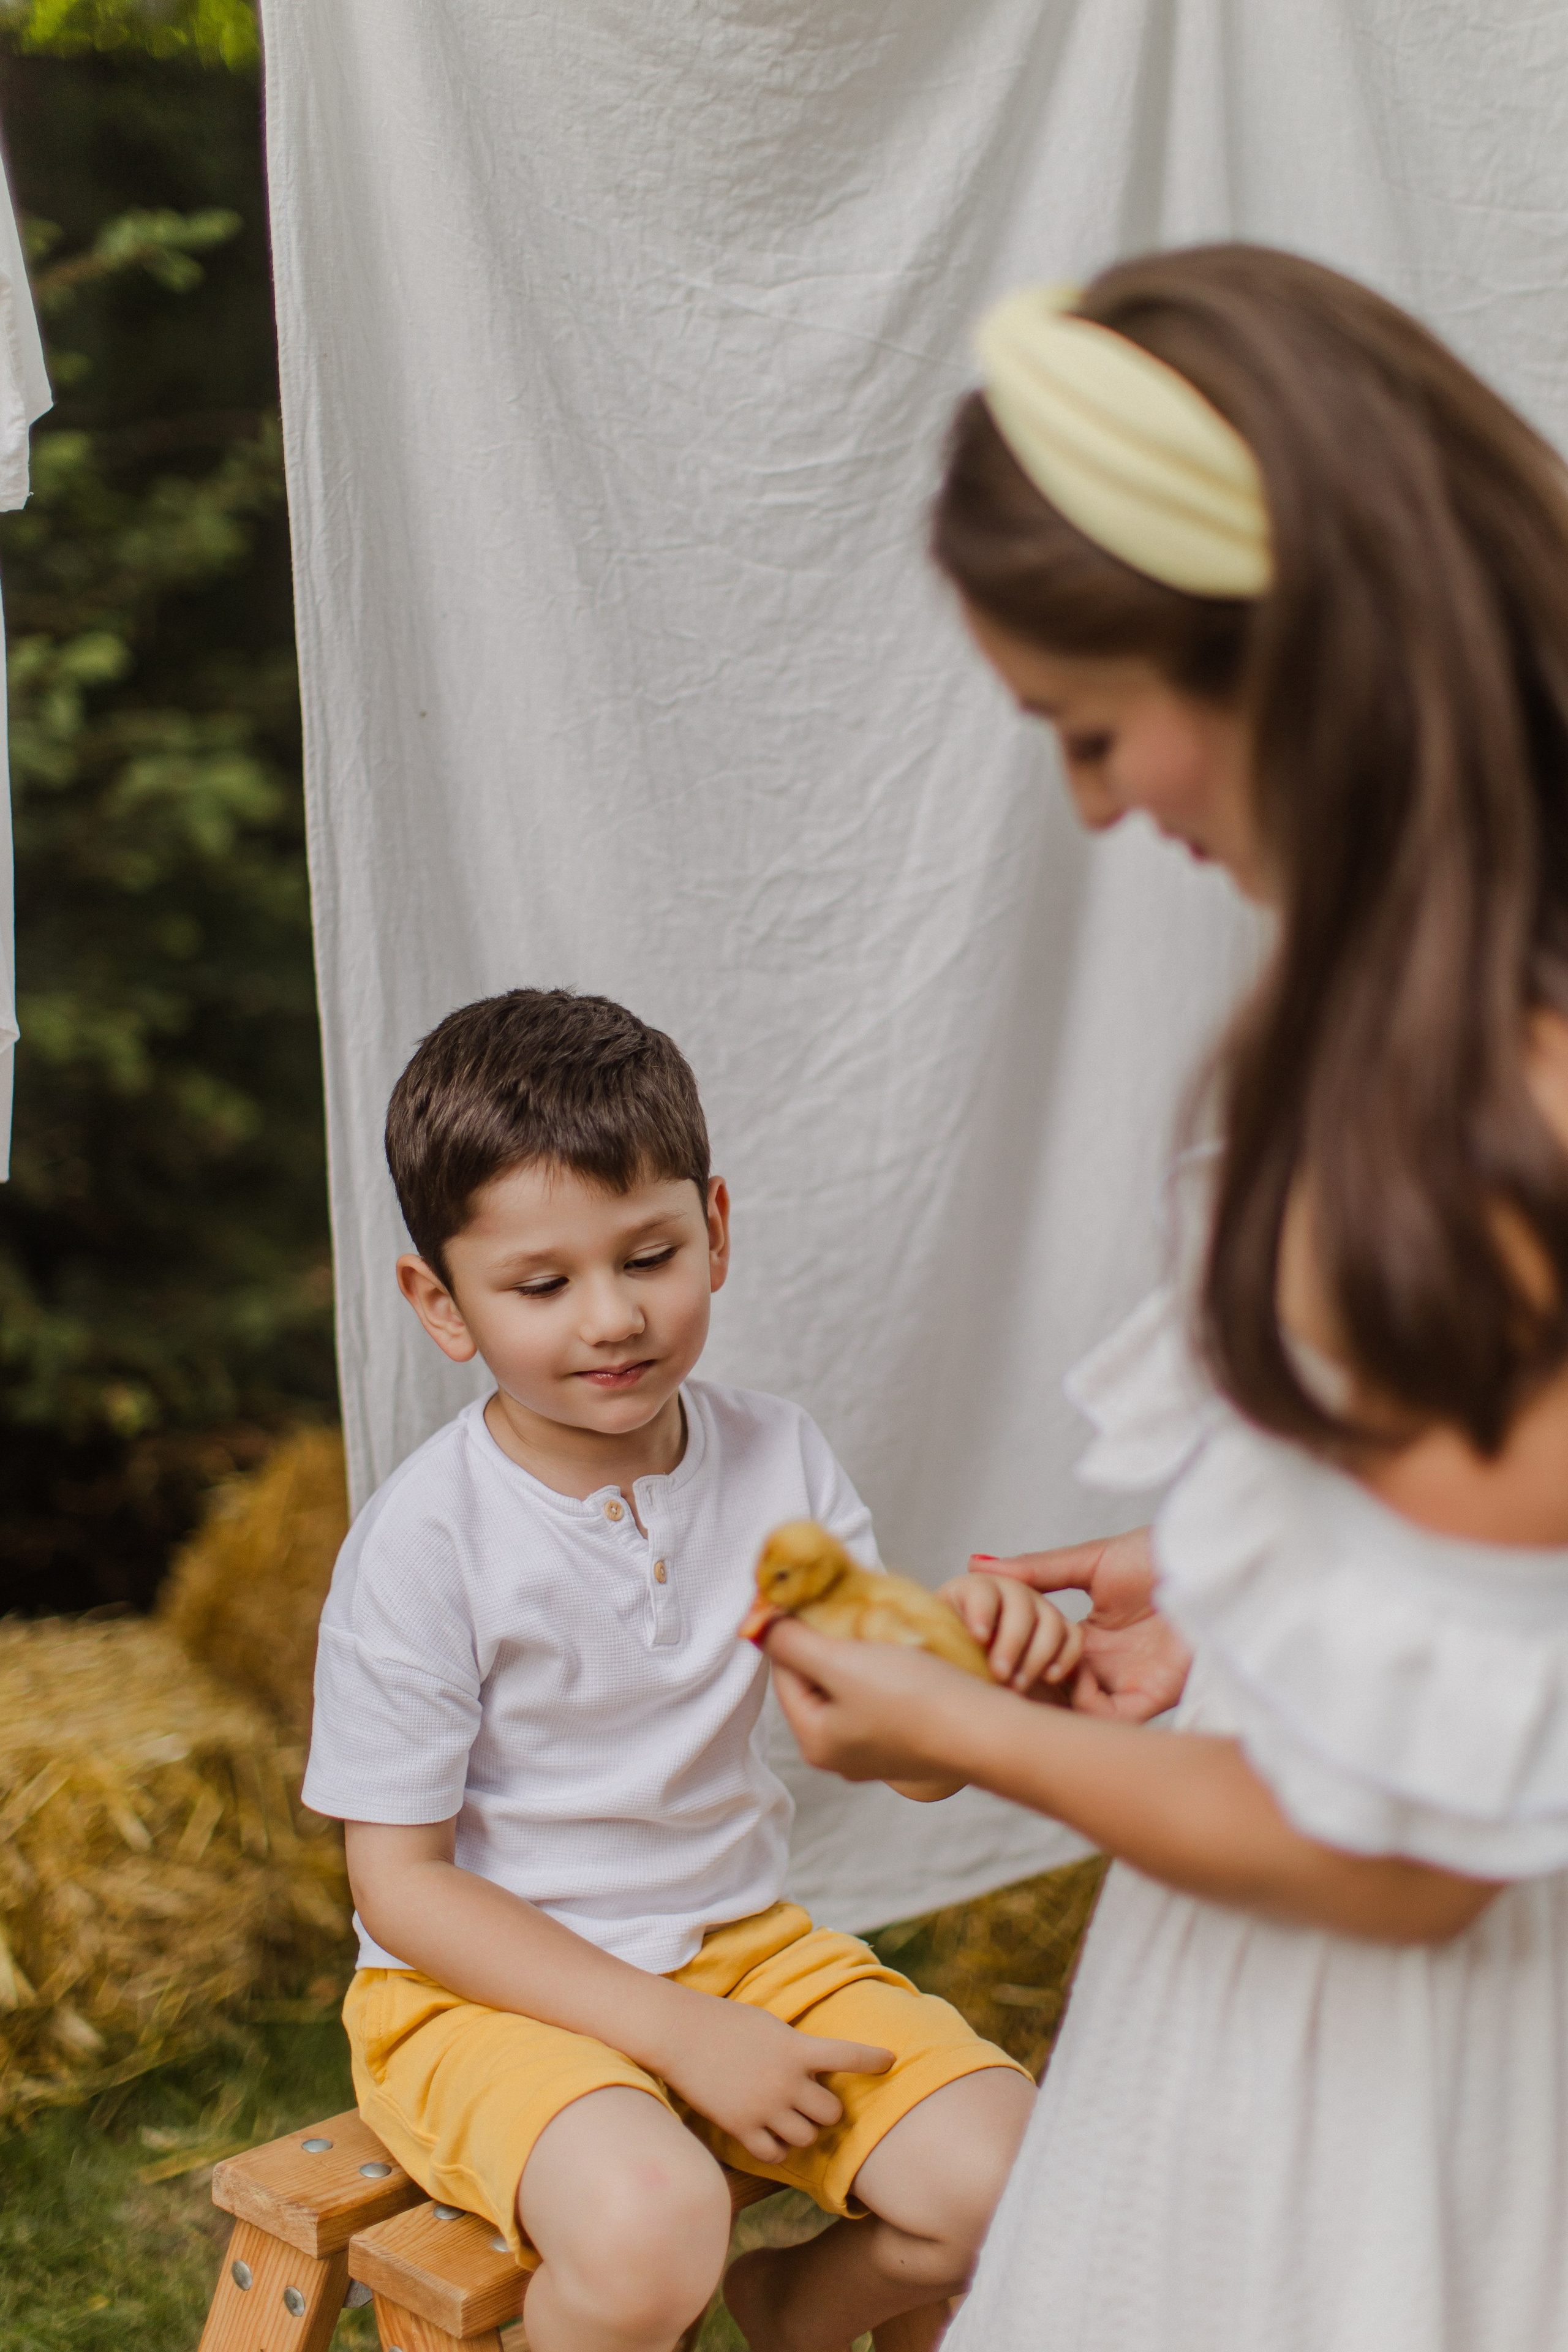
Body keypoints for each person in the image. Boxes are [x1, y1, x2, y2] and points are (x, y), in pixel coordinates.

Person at [763, 245, 1568, 2350]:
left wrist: (952, 1724)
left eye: (1096, 727)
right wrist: (1209, 1589)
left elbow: (1400, 1853)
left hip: (1382, 2086)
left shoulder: (1458, 1127)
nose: (1100, 804)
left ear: (1295, 656)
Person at [301, 988, 1075, 2352]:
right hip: (476, 1995)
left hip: (740, 1946)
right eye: (540, 1286)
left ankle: (792, 2313)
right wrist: (672, 2036)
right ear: (442, 1302)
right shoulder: (426, 1542)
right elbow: (401, 1888)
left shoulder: (779, 1461)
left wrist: (970, 1692)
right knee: (655, 2227)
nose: (609, 1318)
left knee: (1019, 2179)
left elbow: (891, 1758)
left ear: (713, 1231)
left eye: (647, 1256)